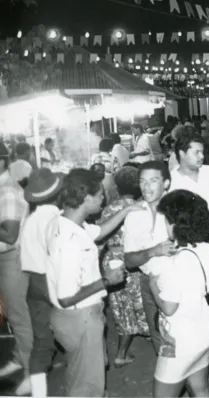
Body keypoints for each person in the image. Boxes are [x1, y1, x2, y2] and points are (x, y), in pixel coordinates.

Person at [45, 169, 131, 397]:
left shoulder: (65, 222)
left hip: (73, 318)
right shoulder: (70, 242)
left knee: (81, 371)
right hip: (79, 316)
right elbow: (67, 295)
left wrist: (127, 210)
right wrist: (106, 281)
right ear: (86, 199)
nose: (104, 198)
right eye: (101, 194)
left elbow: (99, 231)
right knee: (87, 385)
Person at [151, 190, 209, 397]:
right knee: (200, 389)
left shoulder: (173, 263)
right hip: (206, 331)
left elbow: (168, 307)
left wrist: (153, 284)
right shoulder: (208, 250)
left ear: (174, 225)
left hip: (180, 342)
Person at [17, 169, 64, 397]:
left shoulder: (31, 218)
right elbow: (57, 254)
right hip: (50, 280)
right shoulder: (54, 219)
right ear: (57, 194)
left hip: (33, 283)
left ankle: (39, 391)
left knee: (42, 340)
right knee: (73, 332)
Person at [123, 161, 177, 354]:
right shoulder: (134, 215)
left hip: (178, 282)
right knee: (159, 338)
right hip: (149, 282)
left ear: (167, 183)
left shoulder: (179, 209)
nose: (146, 187)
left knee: (183, 338)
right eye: (142, 182)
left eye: (153, 181)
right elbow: (129, 261)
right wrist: (153, 251)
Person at [99, 166, 149, 368]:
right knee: (142, 304)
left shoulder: (109, 209)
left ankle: (121, 353)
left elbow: (101, 238)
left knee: (122, 309)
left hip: (112, 261)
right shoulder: (141, 208)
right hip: (132, 261)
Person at [0, 148, 31, 393]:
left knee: (20, 318)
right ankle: (20, 357)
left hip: (12, 259)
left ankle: (32, 372)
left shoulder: (7, 191)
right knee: (12, 314)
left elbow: (10, 235)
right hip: (5, 260)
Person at [169, 131, 209, 233]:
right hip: (187, 240)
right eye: (196, 152)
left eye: (202, 152)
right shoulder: (171, 182)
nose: (202, 156)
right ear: (182, 153)